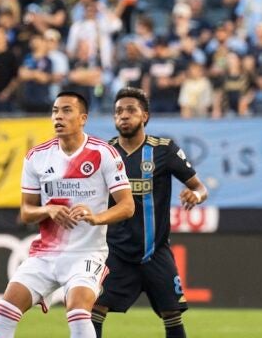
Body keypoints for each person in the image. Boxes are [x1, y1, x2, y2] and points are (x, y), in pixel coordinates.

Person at [0, 91, 134, 338]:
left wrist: (97, 217)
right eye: (55, 111)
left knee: (77, 312)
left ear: (83, 118)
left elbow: (127, 206)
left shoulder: (103, 153)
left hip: (86, 254)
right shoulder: (37, 157)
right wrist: (48, 209)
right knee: (5, 309)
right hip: (46, 255)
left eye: (67, 111)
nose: (58, 117)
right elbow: (26, 212)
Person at [92, 87, 208, 338]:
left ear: (145, 116)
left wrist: (195, 195)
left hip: (155, 252)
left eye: (131, 110)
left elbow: (200, 188)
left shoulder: (164, 149)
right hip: (115, 252)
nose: (123, 116)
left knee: (172, 314)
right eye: (118, 111)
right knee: (93, 308)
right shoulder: (104, 153)